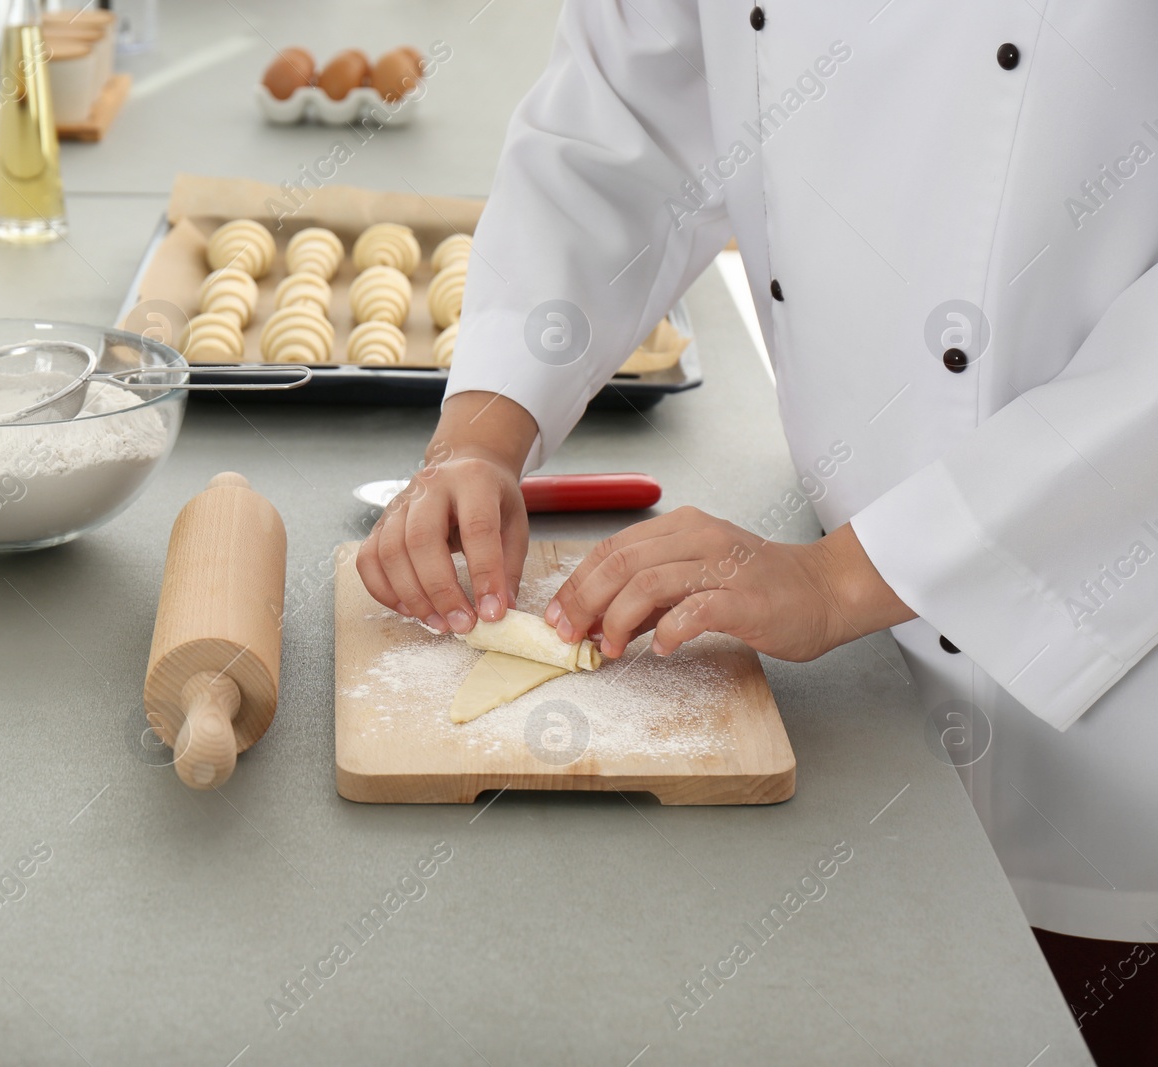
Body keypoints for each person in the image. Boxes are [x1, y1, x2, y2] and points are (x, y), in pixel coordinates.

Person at [357, 3, 1158, 1062]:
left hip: (1118, 667)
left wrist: (842, 579)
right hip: (845, 646)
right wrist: (480, 428)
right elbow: (628, 117)